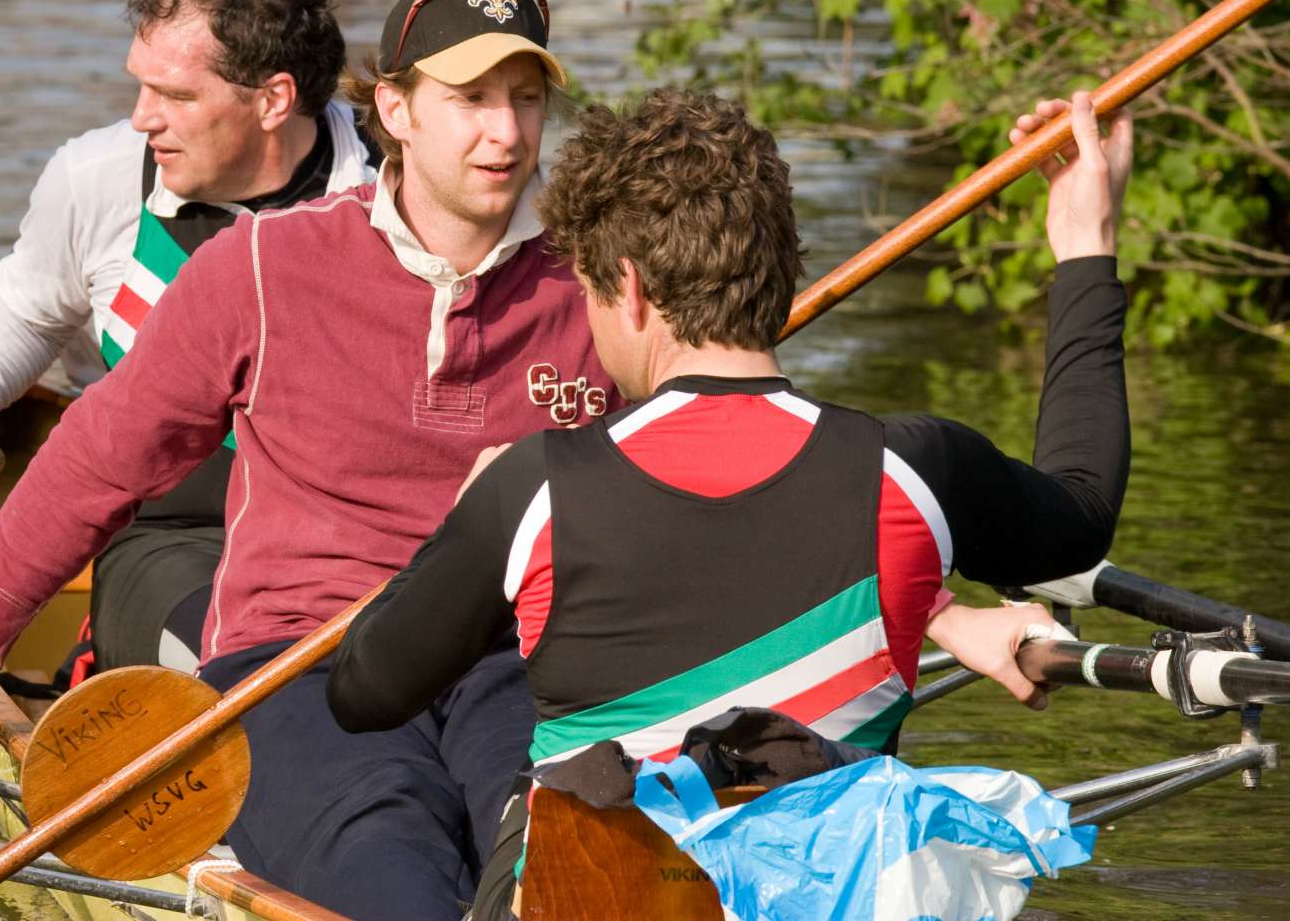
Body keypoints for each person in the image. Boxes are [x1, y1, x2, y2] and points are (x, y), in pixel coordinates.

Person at [0, 0, 615, 919]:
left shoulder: (604, 285)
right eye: (470, 99)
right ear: (397, 110)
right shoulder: (260, 267)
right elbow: (96, 463)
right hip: (302, 662)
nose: (505, 133)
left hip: (517, 660)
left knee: (564, 857)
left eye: (525, 99)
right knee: (390, 865)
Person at [325, 87, 1133, 918]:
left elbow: (364, 691)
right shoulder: (916, 469)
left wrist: (462, 519)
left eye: (588, 292)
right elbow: (1083, 510)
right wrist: (1085, 248)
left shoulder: (534, 487)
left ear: (629, 287)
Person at [0, 0, 378, 675]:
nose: (140, 119)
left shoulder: (400, 188)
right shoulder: (100, 178)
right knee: (254, 674)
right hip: (172, 538)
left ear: (273, 100)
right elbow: (24, 313)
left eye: (176, 96)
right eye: (140, 86)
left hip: (360, 540)